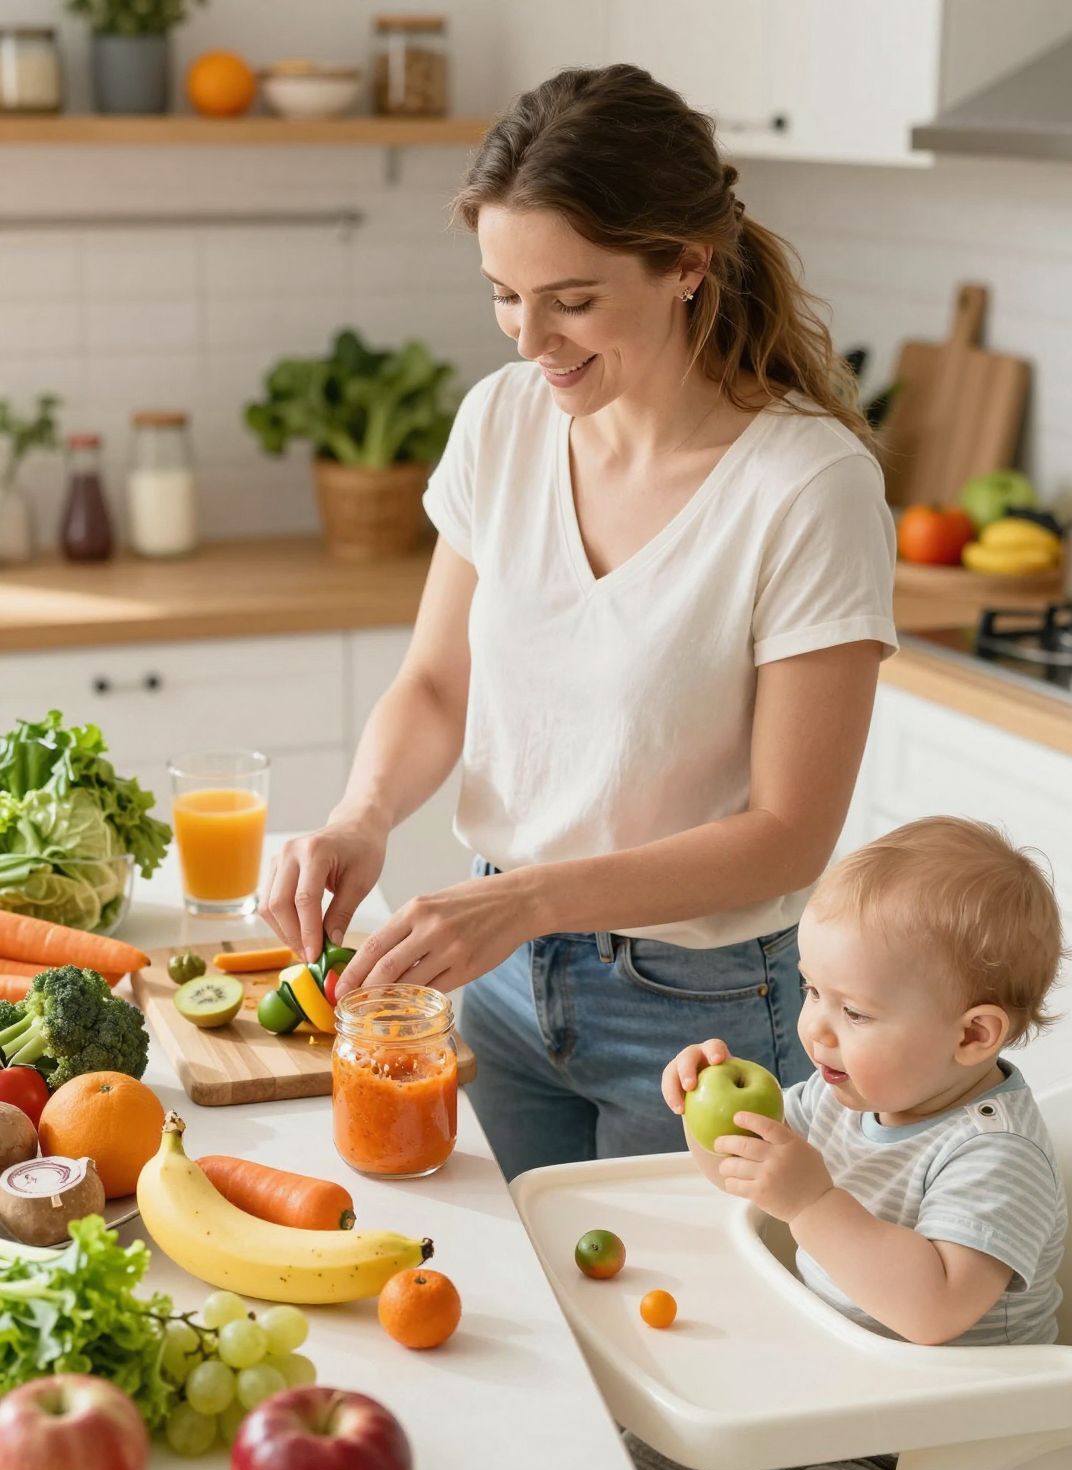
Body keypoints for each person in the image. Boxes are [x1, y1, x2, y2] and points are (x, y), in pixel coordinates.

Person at [261, 63, 896, 1182]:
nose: (528, 338)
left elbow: (791, 829)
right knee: (517, 1325)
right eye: (505, 293)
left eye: (573, 298)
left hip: (696, 1014)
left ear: (686, 264)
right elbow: (437, 685)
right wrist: (362, 816)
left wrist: (530, 896)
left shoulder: (806, 487)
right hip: (494, 981)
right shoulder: (501, 423)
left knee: (673, 1332)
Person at [627, 816, 1068, 1470]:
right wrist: (708, 1120)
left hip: (925, 1455)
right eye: (813, 990)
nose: (816, 1027)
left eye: (856, 1012)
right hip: (826, 1397)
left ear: (972, 1034)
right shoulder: (847, 1093)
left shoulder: (992, 1154)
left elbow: (934, 1309)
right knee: (641, 1457)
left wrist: (815, 1199)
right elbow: (751, 1175)